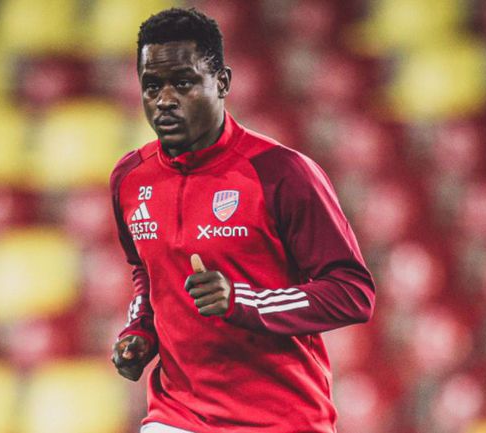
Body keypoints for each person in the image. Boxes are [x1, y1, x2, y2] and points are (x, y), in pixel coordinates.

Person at [110, 7, 376, 433]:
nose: (164, 100)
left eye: (183, 82)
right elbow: (145, 269)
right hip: (178, 415)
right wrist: (140, 331)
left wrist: (244, 300)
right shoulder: (130, 178)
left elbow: (353, 293)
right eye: (152, 85)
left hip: (282, 418)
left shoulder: (281, 173)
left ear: (222, 82)